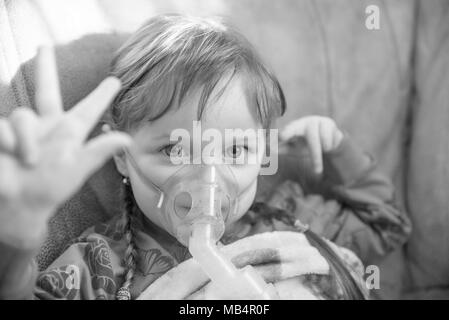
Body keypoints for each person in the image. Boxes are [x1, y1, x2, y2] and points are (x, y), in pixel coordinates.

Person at [0, 14, 410, 300]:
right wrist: (19, 235)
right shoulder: (100, 265)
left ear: (263, 153)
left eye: (236, 149)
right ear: (123, 158)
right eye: (174, 149)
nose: (207, 178)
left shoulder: (290, 221)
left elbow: (386, 226)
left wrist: (339, 151)